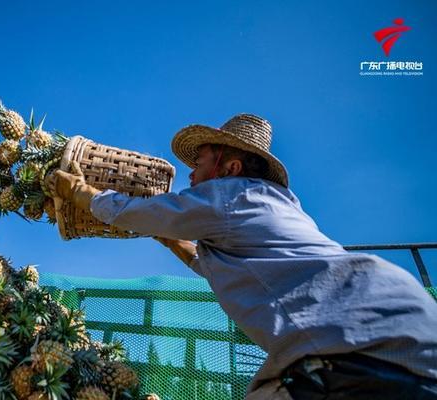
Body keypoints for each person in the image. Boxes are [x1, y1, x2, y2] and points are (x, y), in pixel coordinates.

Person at [46, 113, 437, 399]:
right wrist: (173, 242)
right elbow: (225, 265)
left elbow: (146, 212)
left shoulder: (232, 195)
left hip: (353, 348)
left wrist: (84, 193)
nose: (192, 178)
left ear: (230, 167)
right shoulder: (277, 205)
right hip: (410, 332)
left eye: (198, 165)